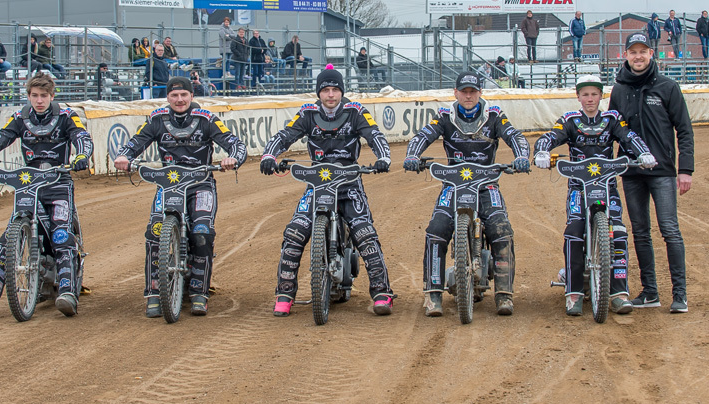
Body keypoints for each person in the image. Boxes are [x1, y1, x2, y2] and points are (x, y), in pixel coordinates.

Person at [259, 65, 395, 317]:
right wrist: (269, 155)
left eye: (335, 89)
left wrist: (384, 158)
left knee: (365, 234)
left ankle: (382, 293)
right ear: (319, 93)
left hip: (349, 183)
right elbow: (285, 134)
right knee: (294, 233)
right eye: (325, 90)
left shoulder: (355, 111)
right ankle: (285, 294)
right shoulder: (307, 113)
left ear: (341, 91)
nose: (330, 95)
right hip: (317, 184)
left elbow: (374, 135)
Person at [113, 77, 247, 317]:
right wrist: (124, 157)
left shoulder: (206, 119)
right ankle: (154, 292)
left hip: (200, 184)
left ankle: (199, 292)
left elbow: (235, 144)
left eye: (184, 95)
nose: (179, 99)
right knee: (154, 232)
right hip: (168, 184)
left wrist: (233, 158)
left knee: (202, 232)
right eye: (174, 95)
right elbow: (135, 143)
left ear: (192, 96)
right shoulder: (157, 119)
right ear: (167, 98)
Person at [403, 72, 530, 317]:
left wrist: (522, 157)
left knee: (501, 229)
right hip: (452, 185)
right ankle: (433, 294)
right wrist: (411, 156)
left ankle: (504, 295)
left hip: (487, 185)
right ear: (456, 93)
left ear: (480, 93)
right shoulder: (444, 117)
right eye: (464, 91)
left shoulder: (494, 116)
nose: (468, 96)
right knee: (436, 230)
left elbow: (514, 136)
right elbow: (422, 136)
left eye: (473, 91)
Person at [0, 72, 93, 316]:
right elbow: (0, 138)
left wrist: (82, 156)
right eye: (34, 96)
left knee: (61, 234)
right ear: (28, 96)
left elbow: (82, 137)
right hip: (27, 184)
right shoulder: (20, 118)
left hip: (58, 182)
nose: (39, 101)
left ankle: (67, 291)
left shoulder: (67, 116)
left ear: (52, 96)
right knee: (7, 237)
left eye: (43, 96)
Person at [533, 75, 657, 316]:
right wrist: (541, 151)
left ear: (601, 96)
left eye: (594, 94)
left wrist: (644, 154)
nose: (590, 99)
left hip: (607, 186)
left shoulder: (612, 119)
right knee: (574, 231)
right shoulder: (570, 120)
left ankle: (619, 293)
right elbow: (549, 137)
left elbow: (629, 137)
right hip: (578, 189)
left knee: (618, 232)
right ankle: (574, 291)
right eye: (585, 94)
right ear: (578, 97)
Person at [609, 32, 694, 313]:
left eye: (643, 51)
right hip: (631, 171)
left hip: (663, 171)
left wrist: (685, 170)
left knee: (670, 230)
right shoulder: (619, 89)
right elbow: (611, 130)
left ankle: (679, 294)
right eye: (633, 52)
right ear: (626, 56)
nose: (638, 56)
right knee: (640, 232)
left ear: (651, 54)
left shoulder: (668, 87)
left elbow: (684, 130)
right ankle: (650, 292)